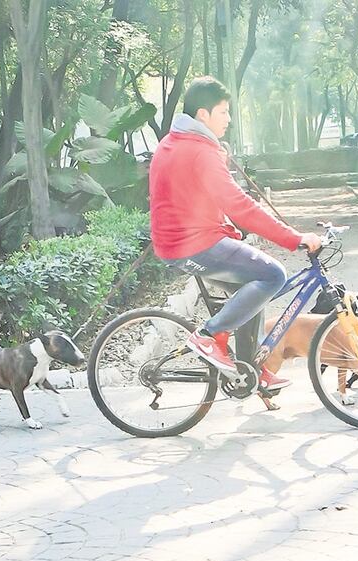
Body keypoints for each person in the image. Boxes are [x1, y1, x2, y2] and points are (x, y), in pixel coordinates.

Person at [149, 76, 321, 388]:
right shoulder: (199, 151)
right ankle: (208, 335)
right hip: (193, 245)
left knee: (252, 291)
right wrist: (293, 238)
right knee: (273, 275)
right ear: (203, 115)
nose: (229, 119)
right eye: (224, 112)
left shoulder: (177, 143)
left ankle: (250, 371)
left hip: (185, 242)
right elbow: (239, 206)